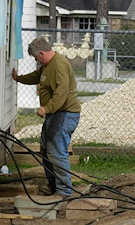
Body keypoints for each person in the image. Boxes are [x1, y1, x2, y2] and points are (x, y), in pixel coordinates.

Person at [12, 37, 81, 197]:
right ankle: (54, 187)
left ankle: (64, 192)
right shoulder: (47, 66)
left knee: (56, 151)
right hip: (55, 114)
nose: (37, 61)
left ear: (41, 54)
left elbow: (62, 92)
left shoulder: (59, 66)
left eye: (36, 58)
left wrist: (47, 108)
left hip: (65, 114)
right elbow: (37, 76)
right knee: (46, 149)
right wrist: (19, 78)